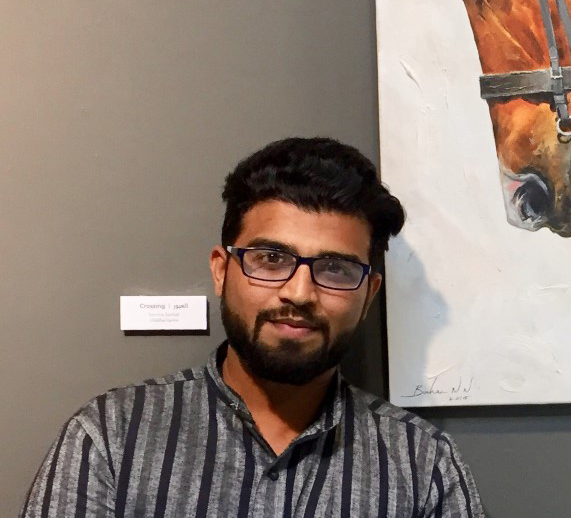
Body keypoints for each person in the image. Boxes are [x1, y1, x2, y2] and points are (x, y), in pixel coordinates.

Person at [21, 137, 484, 517]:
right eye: (270, 259)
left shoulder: (423, 467)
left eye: (336, 269)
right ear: (222, 271)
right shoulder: (110, 440)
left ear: (369, 294)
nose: (299, 293)